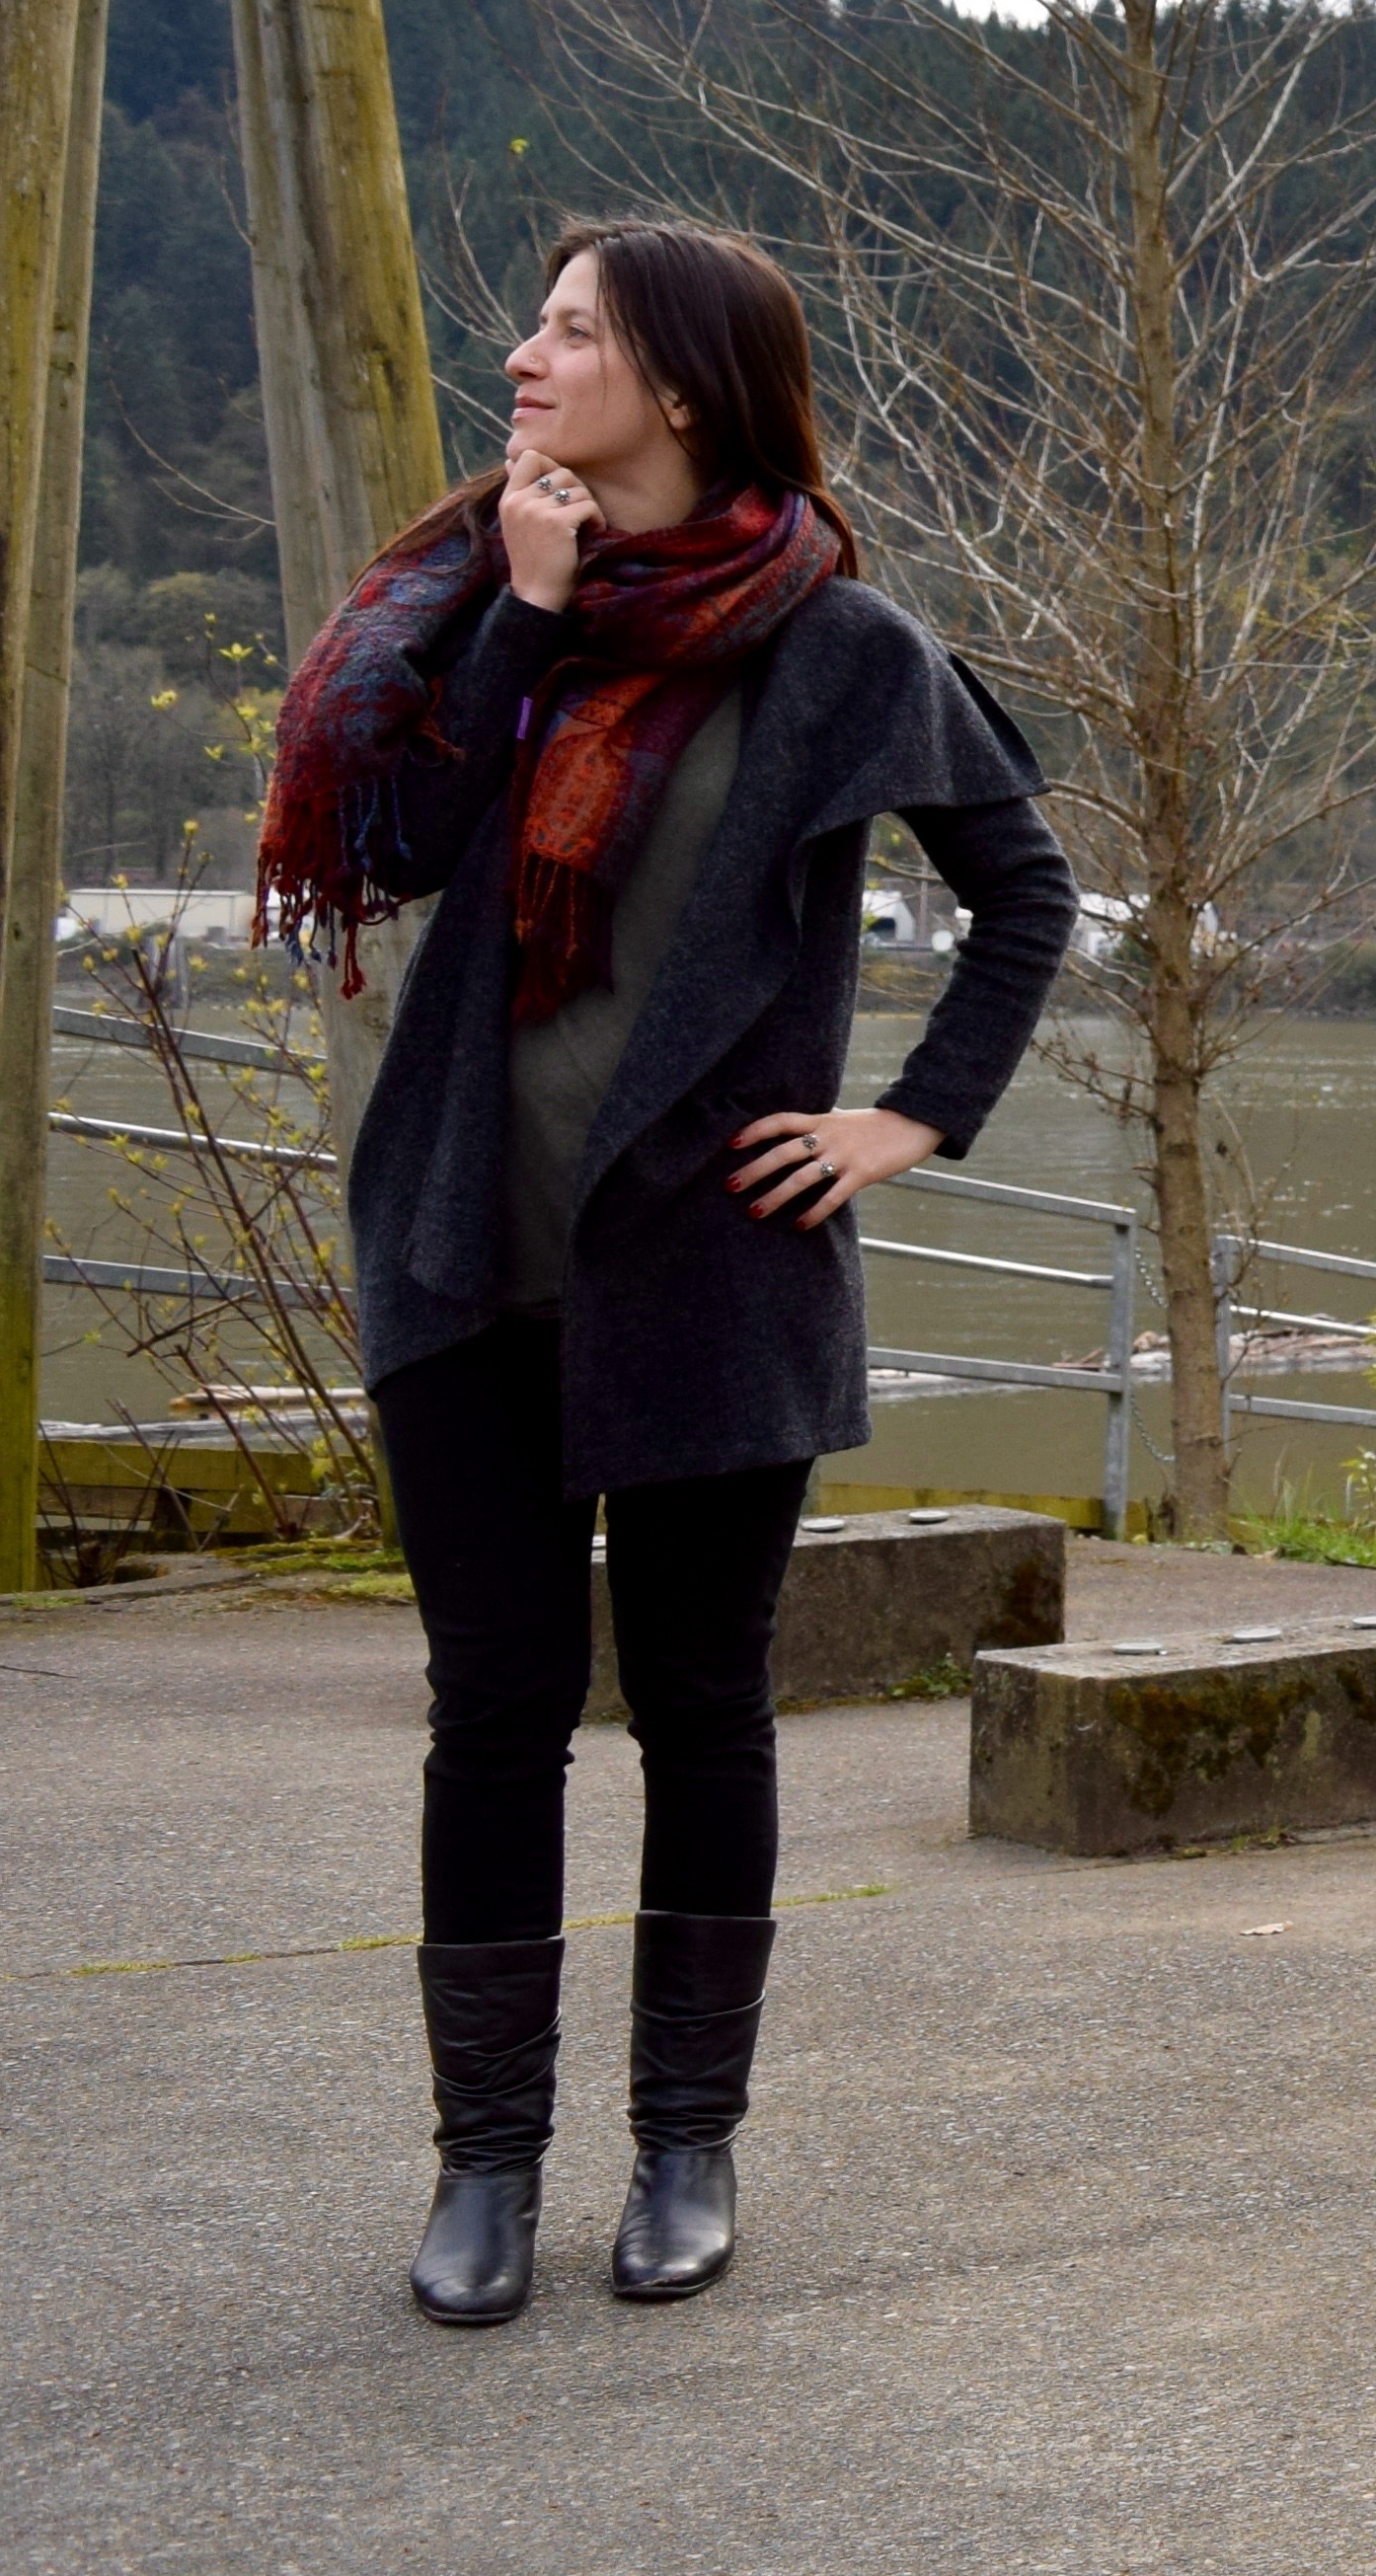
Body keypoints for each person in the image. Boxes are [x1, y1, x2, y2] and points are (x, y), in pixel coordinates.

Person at [257, 220, 1074, 2330]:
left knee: (703, 1703)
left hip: (714, 1262)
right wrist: (522, 624)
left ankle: (687, 2141)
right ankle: (483, 2168)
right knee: (497, 1706)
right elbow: (410, 844)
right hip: (463, 1239)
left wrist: (909, 1116)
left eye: (573, 330)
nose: (525, 357)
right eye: (535, 323)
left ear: (684, 385)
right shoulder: (495, 601)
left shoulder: (838, 643)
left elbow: (1024, 886)